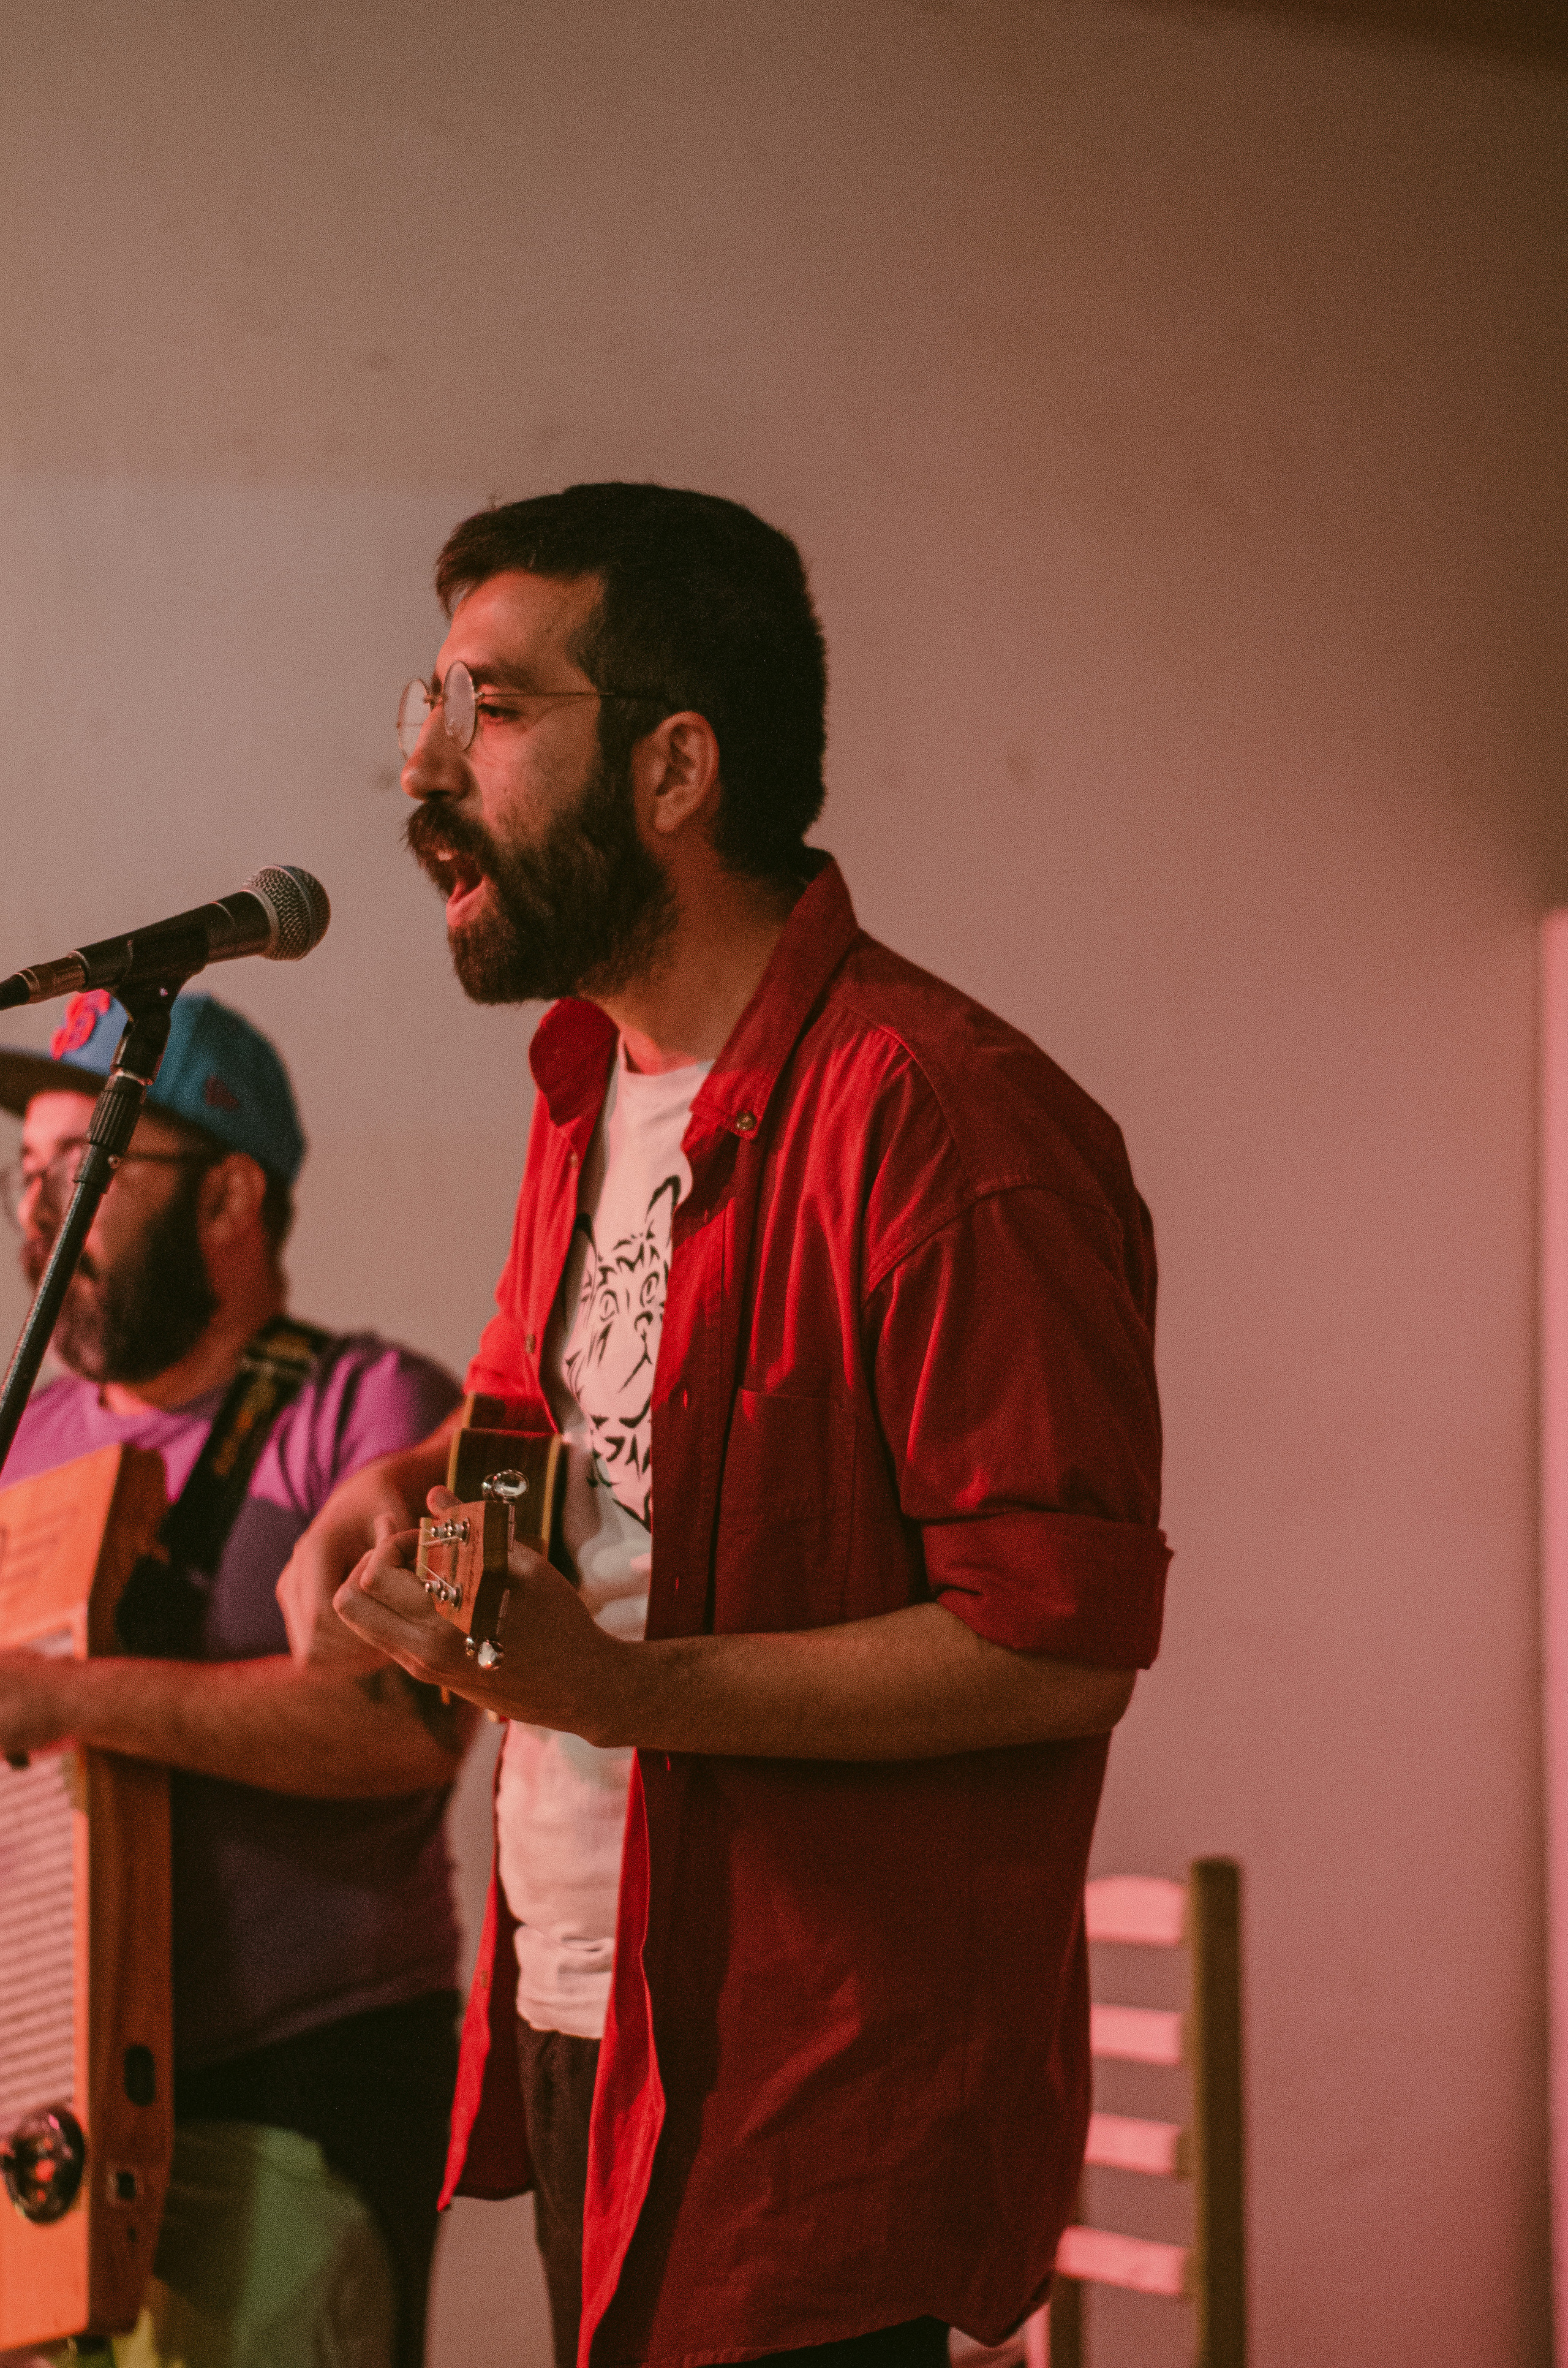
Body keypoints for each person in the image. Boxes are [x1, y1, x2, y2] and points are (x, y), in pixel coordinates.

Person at [277, 483, 1170, 2368]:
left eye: (493, 710)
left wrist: (620, 1692)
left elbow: (1056, 1645)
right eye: (429, 707)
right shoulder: (590, 1079)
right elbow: (557, 1435)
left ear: (677, 766)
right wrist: (413, 1495)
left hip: (807, 2078)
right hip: (579, 2011)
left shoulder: (944, 1121)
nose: (425, 772)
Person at [0, 988, 470, 2368]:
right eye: (25, 1175)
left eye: (83, 1168)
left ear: (230, 1197)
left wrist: (72, 1700)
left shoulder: (375, 1411)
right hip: (52, 2120)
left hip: (289, 2096)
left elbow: (408, 1731)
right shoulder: (23, 1444)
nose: (40, 1210)